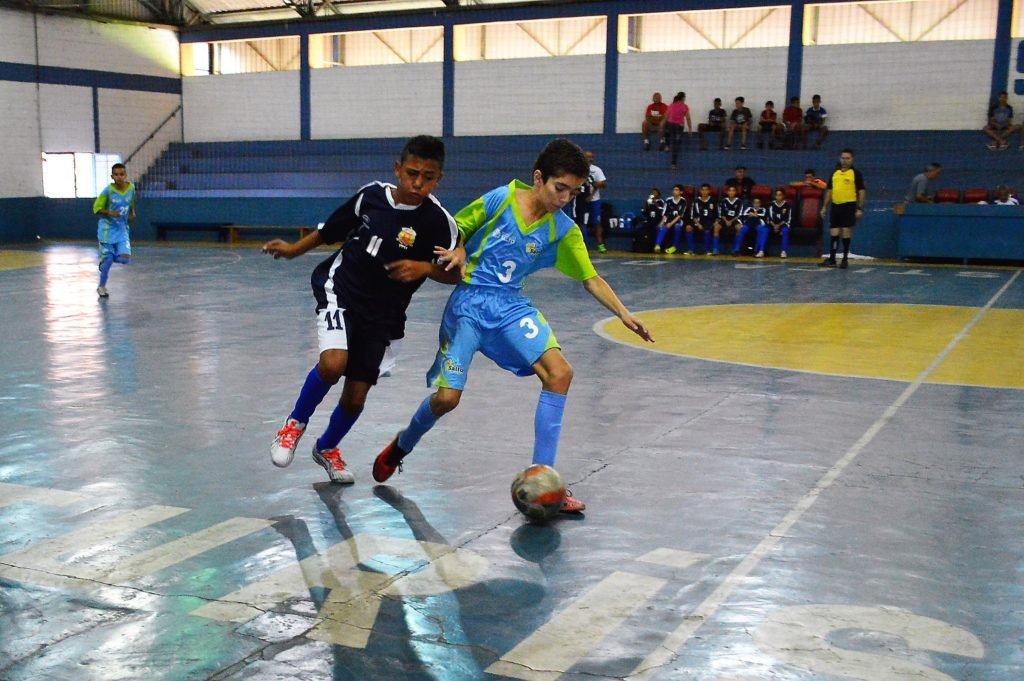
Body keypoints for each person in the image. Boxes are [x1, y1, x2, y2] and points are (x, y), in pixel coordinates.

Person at [371, 139, 654, 514]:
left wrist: (624, 313)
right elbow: (453, 228)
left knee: (559, 374)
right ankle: (402, 444)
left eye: (573, 192)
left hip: (509, 308)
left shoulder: (563, 230)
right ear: (538, 179)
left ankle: (544, 476)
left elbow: (590, 277)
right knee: (446, 400)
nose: (565, 198)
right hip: (469, 307)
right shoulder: (501, 199)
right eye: (560, 188)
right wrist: (457, 250)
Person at [262, 135, 463, 484]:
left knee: (355, 399)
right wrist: (295, 250)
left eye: (428, 177)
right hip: (342, 290)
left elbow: (455, 274)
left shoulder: (439, 222)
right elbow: (331, 230)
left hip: (384, 315)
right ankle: (294, 424)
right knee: (333, 362)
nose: (418, 183)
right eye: (412, 173)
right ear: (397, 169)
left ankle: (326, 448)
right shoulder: (371, 196)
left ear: (439, 179)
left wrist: (426, 269)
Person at [93, 163, 136, 298]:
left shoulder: (131, 188)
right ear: (112, 176)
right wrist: (110, 213)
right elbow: (96, 209)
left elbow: (132, 203)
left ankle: (106, 261)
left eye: (121, 174)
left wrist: (132, 213)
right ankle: (101, 287)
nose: (119, 177)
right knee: (109, 259)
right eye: (116, 174)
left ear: (125, 175)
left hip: (122, 229)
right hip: (107, 230)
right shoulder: (108, 191)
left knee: (124, 259)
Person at [819, 148, 866, 269]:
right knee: (834, 231)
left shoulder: (856, 173)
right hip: (836, 205)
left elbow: (861, 191)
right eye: (843, 158)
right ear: (840, 159)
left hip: (849, 205)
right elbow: (829, 190)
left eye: (847, 158)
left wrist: (860, 208)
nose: (845, 161)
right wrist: (824, 207)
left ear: (852, 159)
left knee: (846, 230)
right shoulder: (835, 173)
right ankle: (832, 258)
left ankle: (845, 259)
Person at [583, 150, 609, 253]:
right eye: (588, 157)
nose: (590, 159)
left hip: (594, 200)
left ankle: (600, 244)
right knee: (582, 223)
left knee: (597, 222)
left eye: (591, 157)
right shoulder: (578, 170)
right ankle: (583, 244)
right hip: (582, 201)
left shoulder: (596, 170)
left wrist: (594, 183)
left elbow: (603, 184)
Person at [663, 92, 693, 170]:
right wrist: (690, 129)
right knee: (676, 145)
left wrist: (661, 125)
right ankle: (673, 164)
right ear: (683, 98)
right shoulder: (685, 106)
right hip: (678, 127)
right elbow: (688, 118)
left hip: (670, 125)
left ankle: (666, 145)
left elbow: (666, 117)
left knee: (667, 128)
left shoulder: (671, 105)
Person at [655, 184, 687, 254]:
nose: (674, 191)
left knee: (677, 227)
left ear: (681, 192)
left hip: (678, 221)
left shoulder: (683, 201)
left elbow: (680, 215)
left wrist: (671, 223)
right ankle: (658, 245)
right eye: (673, 190)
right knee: (661, 227)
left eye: (676, 190)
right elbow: (665, 214)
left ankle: (674, 246)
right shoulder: (668, 200)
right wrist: (662, 222)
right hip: (669, 219)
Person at [686, 183, 718, 255]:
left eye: (706, 190)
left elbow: (717, 215)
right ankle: (690, 249)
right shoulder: (696, 201)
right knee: (688, 227)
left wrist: (714, 223)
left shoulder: (713, 201)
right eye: (702, 190)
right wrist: (698, 224)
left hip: (709, 221)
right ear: (700, 191)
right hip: (698, 221)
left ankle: (707, 250)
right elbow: (693, 215)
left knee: (707, 230)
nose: (704, 192)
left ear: (709, 191)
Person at [716, 184, 744, 256]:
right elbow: (721, 213)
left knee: (740, 228)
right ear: (727, 192)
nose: (731, 192)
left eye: (733, 191)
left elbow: (739, 214)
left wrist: (731, 221)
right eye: (730, 191)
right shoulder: (723, 201)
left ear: (736, 192)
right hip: (724, 219)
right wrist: (726, 221)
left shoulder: (739, 201)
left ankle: (736, 249)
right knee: (716, 227)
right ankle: (715, 249)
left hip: (734, 219)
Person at [767, 187, 792, 258]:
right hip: (772, 224)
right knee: (764, 230)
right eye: (777, 195)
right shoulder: (771, 204)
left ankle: (783, 251)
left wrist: (778, 225)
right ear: (775, 196)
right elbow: (769, 217)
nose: (778, 197)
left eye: (780, 195)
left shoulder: (787, 205)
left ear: (783, 196)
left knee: (785, 230)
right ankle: (761, 250)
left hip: (783, 224)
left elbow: (788, 218)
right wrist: (774, 225)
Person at [644, 188, 667, 253]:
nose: (653, 194)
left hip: (658, 221)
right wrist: (646, 202)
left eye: (655, 192)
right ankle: (646, 246)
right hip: (650, 220)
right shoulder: (649, 201)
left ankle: (657, 246)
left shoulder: (660, 201)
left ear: (658, 194)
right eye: (652, 192)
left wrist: (655, 202)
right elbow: (645, 210)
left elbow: (661, 211)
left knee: (658, 228)